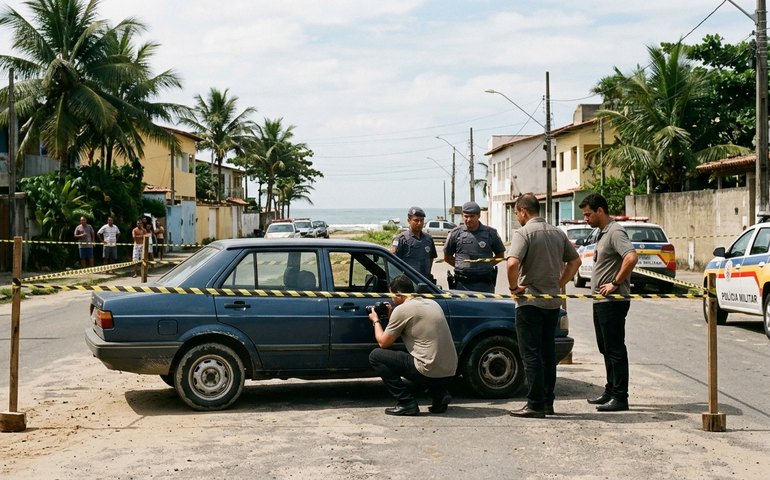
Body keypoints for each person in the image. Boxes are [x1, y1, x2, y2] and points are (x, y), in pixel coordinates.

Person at [505, 194, 581, 418]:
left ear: (523, 211)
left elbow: (512, 262)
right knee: (548, 354)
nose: (517, 217)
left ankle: (535, 404)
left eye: (517, 213)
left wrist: (513, 287)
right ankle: (547, 402)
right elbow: (575, 261)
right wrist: (560, 283)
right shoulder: (557, 232)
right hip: (552, 303)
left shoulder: (524, 233)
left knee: (531, 355)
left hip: (530, 303)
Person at [579, 193, 638, 412]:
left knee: (615, 348)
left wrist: (615, 282)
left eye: (588, 214)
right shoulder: (602, 233)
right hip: (601, 301)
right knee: (605, 348)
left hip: (613, 300)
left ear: (600, 211)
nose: (586, 219)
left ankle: (621, 397)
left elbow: (631, 257)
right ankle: (611, 390)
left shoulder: (615, 232)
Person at [368, 275, 458, 416]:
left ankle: (406, 403)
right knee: (419, 353)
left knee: (376, 356)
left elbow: (383, 342)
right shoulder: (433, 303)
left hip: (428, 370)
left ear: (398, 293)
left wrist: (375, 320)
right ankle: (439, 394)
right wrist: (393, 314)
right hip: (449, 370)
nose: (392, 299)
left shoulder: (402, 310)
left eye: (392, 295)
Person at [443, 201, 505, 292]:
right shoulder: (455, 234)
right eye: (466, 216)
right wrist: (462, 266)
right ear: (462, 216)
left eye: (472, 216)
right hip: (462, 285)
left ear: (478, 216)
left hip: (485, 284)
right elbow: (447, 257)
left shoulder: (491, 233)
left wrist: (485, 265)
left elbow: (500, 255)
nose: (468, 219)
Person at [390, 206, 437, 282]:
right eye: (416, 220)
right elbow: (393, 262)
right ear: (409, 220)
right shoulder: (401, 239)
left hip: (425, 280)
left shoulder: (428, 239)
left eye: (422, 220)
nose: (419, 223)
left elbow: (431, 257)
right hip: (407, 282)